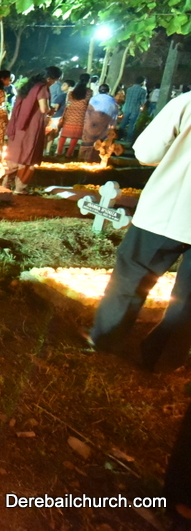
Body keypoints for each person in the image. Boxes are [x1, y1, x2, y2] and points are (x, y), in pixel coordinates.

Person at [89, 89, 191, 373]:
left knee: (133, 278)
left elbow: (146, 152)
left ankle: (105, 343)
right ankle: (161, 360)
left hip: (169, 209)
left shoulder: (186, 103)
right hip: (169, 212)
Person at [5, 71, 52, 194]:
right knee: (28, 154)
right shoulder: (42, 88)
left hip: (18, 125)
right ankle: (19, 188)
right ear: (50, 79)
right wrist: (51, 110)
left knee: (14, 154)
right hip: (31, 126)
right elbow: (44, 108)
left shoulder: (28, 86)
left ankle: (5, 185)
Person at [81, 84, 120, 162]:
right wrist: (113, 126)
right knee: (101, 142)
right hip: (104, 124)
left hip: (90, 123)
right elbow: (115, 114)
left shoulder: (93, 99)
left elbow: (88, 112)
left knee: (88, 141)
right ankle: (96, 160)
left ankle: (83, 158)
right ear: (108, 91)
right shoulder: (112, 100)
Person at [57, 74, 91, 157]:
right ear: (88, 81)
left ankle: (59, 152)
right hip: (81, 115)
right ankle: (69, 154)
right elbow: (88, 103)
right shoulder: (89, 92)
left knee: (64, 135)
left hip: (69, 114)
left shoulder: (72, 92)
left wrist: (64, 115)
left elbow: (68, 104)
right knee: (75, 136)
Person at [45, 75, 72, 154]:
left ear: (69, 87)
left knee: (51, 134)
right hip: (66, 117)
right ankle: (58, 151)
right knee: (60, 134)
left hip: (56, 117)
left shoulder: (61, 96)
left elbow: (56, 107)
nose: (62, 86)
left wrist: (50, 113)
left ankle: (47, 150)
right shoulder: (72, 97)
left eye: (64, 85)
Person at [120, 75, 147, 140]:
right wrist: (142, 108)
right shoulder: (143, 90)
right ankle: (128, 139)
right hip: (135, 109)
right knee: (132, 124)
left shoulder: (129, 89)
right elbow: (143, 101)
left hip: (127, 108)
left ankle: (119, 136)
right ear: (142, 82)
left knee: (123, 123)